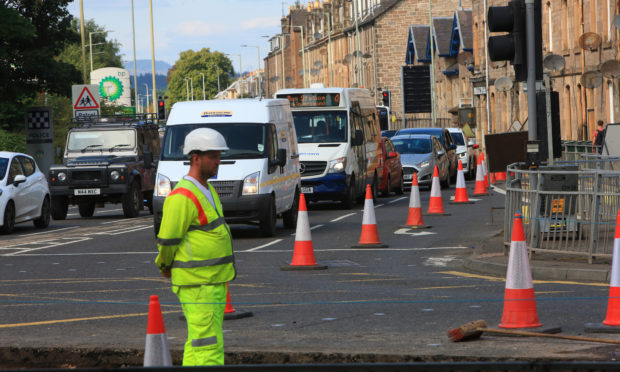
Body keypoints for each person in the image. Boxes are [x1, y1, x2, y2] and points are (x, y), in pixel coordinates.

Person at [155, 127, 235, 366]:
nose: (218, 161)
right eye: (213, 156)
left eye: (219, 155)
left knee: (198, 344)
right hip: (200, 284)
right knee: (209, 348)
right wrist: (164, 266)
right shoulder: (182, 196)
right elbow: (168, 240)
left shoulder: (207, 189)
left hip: (211, 281)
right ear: (195, 158)